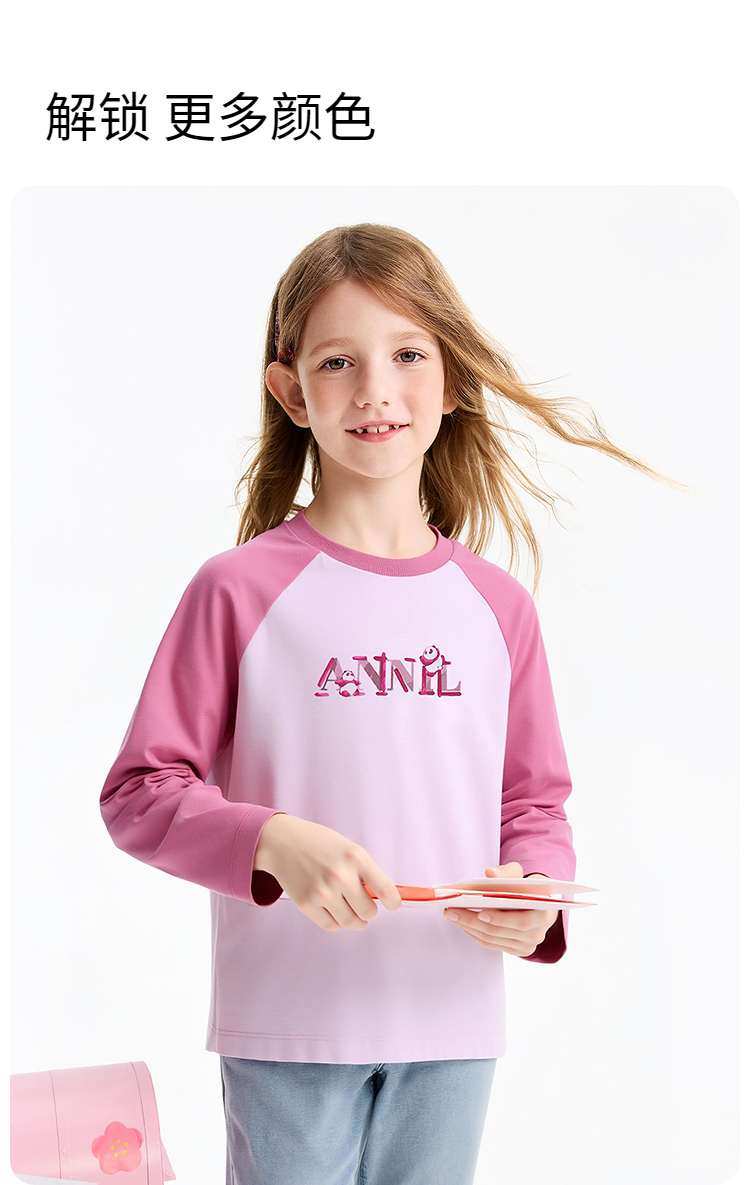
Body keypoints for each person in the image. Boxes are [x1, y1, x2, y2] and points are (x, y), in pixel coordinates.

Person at [100, 223, 679, 1185]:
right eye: (339, 361)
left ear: (451, 381)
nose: (376, 388)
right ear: (292, 392)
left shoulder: (499, 608)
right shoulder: (237, 590)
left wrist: (535, 892)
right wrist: (272, 839)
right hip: (289, 1019)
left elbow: (533, 803)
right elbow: (139, 790)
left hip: (452, 1019)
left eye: (409, 354)